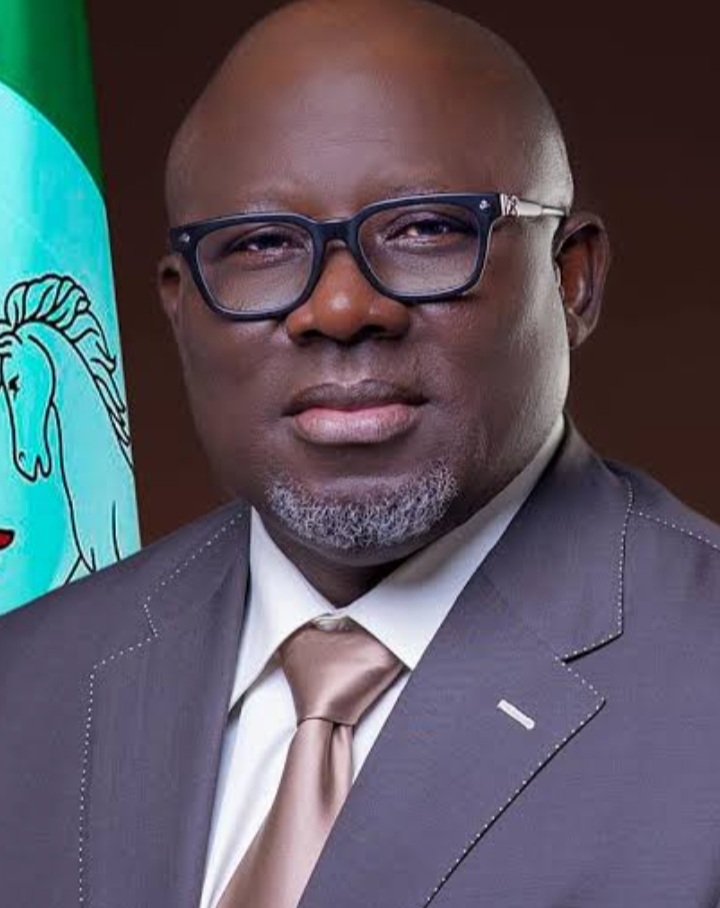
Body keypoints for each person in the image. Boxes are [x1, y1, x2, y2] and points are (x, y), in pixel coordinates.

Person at [2, 1, 720, 905]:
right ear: (180, 309)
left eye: (426, 230)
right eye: (262, 244)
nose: (341, 309)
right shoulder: (25, 683)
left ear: (572, 280)